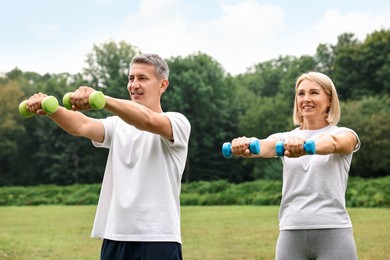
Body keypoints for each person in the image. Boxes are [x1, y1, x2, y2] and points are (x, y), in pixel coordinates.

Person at [25, 53, 191, 260]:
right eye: (131, 78)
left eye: (143, 78)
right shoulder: (117, 125)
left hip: (158, 237)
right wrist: (49, 108)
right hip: (115, 235)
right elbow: (81, 125)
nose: (134, 85)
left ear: (163, 85)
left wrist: (102, 99)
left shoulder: (177, 122)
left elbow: (147, 121)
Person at [230, 71, 360, 260]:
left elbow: (334, 143)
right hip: (291, 231)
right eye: (301, 93)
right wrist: (245, 144)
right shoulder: (285, 138)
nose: (306, 99)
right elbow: (264, 146)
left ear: (329, 100)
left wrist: (308, 147)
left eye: (314, 93)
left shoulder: (345, 133)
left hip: (333, 230)